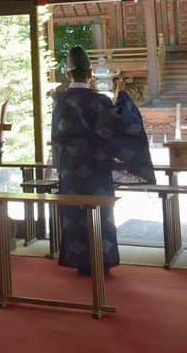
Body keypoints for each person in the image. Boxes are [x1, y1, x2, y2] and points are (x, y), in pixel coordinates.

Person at [51, 46, 154, 275]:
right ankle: (102, 259)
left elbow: (57, 138)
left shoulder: (59, 101)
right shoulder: (101, 101)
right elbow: (117, 129)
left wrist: (59, 165)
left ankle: (79, 262)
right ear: (90, 75)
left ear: (68, 75)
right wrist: (124, 101)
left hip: (70, 169)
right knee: (100, 213)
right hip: (97, 167)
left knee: (75, 214)